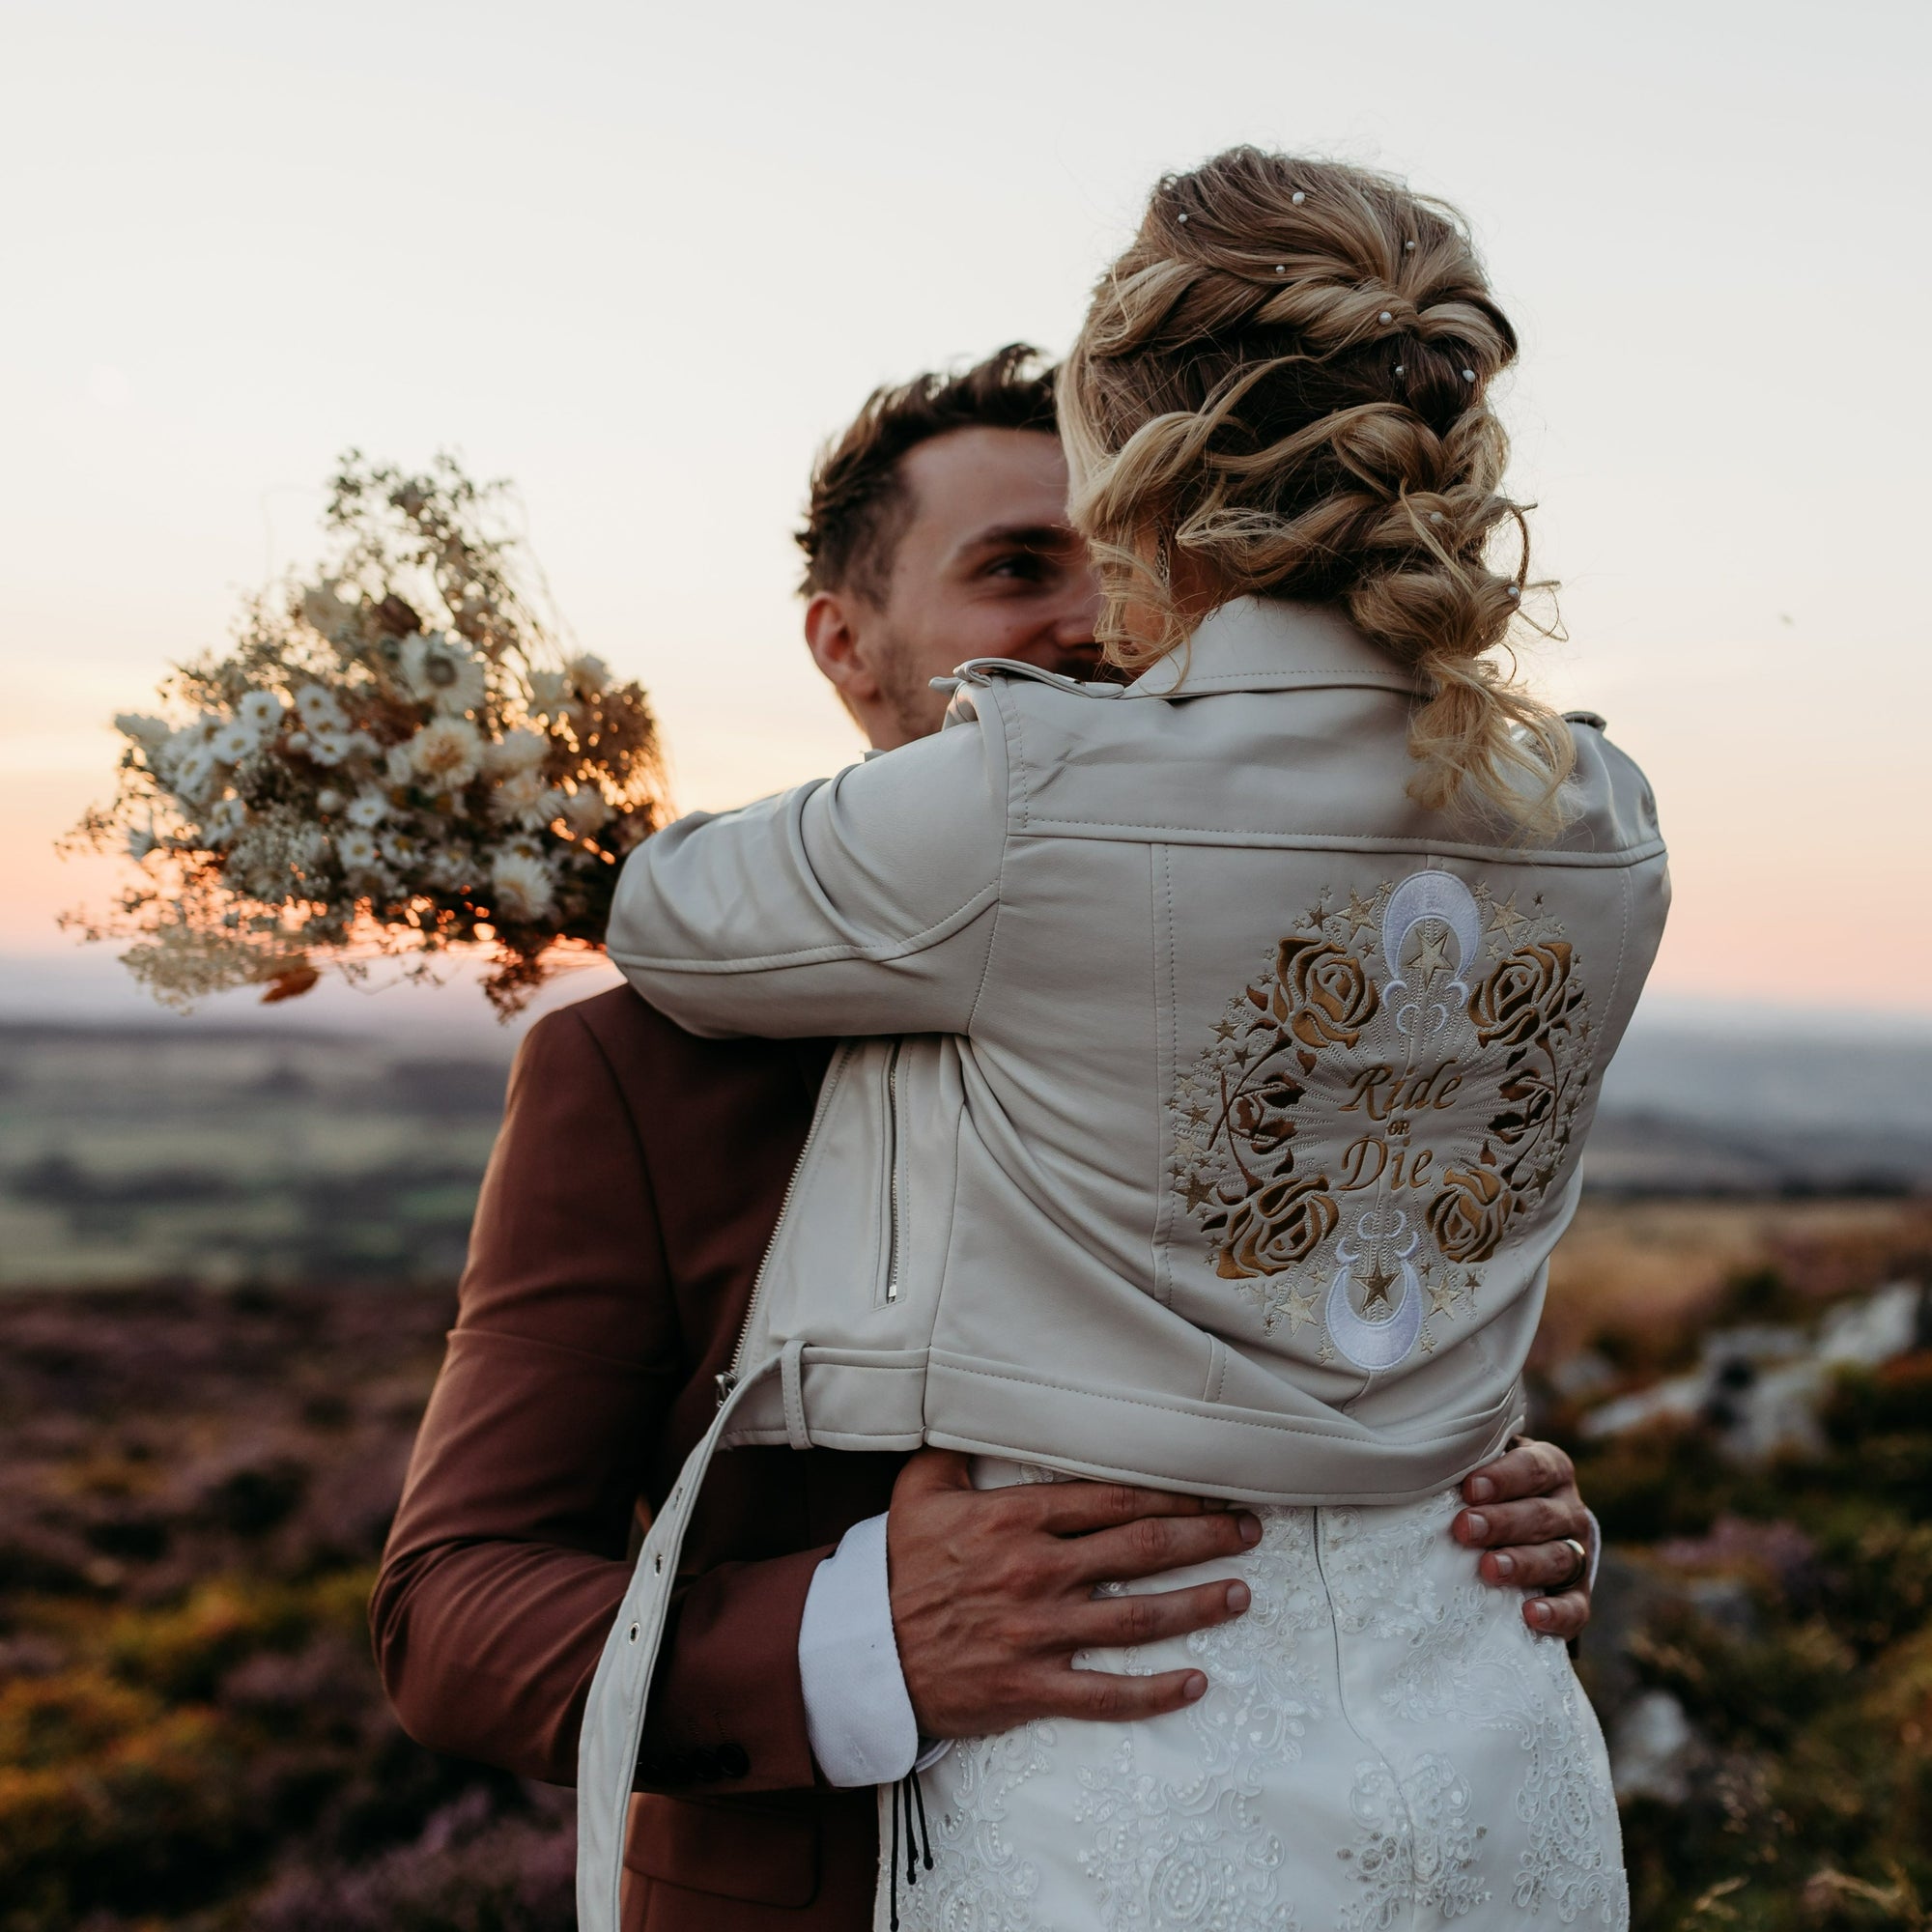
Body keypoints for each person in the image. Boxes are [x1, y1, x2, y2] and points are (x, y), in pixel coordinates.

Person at [375, 343, 1606, 1932]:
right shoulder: (642, 1069)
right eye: (1017, 567)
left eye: (1127, 563)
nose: (1095, 619)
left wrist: (1463, 1522)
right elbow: (449, 1614)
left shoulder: (1317, 994)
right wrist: (856, 1636)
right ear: (847, 642)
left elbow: (1366, 1356)